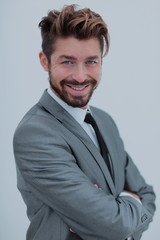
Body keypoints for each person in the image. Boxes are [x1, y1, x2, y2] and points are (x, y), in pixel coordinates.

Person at [13, 4, 156, 240]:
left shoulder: (104, 121)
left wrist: (118, 207)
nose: (80, 76)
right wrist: (128, 204)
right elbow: (114, 225)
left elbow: (146, 194)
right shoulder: (34, 133)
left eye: (91, 61)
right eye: (67, 61)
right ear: (45, 61)